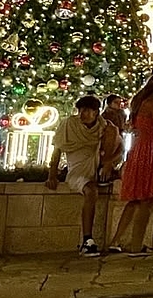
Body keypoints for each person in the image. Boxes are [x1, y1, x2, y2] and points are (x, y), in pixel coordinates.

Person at [109, 73, 153, 255]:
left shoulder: (138, 102)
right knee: (147, 199)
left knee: (135, 199)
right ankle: (136, 246)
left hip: (137, 149)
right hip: (150, 149)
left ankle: (116, 240)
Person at [46, 96, 114, 256]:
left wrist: (108, 163)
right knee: (91, 191)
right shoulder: (69, 124)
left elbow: (111, 137)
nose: (82, 114)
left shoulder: (103, 126)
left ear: (96, 112)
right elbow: (57, 150)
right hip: (77, 171)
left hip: (95, 167)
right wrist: (52, 175)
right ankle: (87, 240)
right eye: (80, 110)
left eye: (86, 110)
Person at [101, 94, 127, 182]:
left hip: (119, 137)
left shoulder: (121, 114)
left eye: (120, 102)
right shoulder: (106, 116)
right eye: (116, 102)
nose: (119, 105)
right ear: (109, 103)